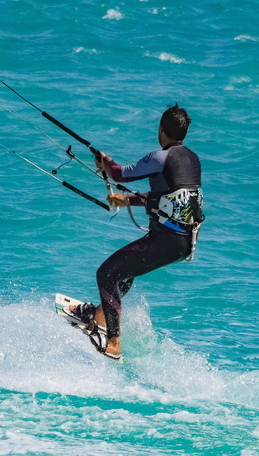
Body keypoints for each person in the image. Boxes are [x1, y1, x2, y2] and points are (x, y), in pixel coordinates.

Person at [66, 104, 204, 361]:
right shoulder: (193, 159)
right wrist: (126, 200)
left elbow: (121, 174)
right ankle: (97, 315)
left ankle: (114, 341)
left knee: (106, 273)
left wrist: (105, 161)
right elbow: (171, 198)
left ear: (161, 130)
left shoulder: (160, 157)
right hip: (184, 243)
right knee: (124, 272)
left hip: (164, 240)